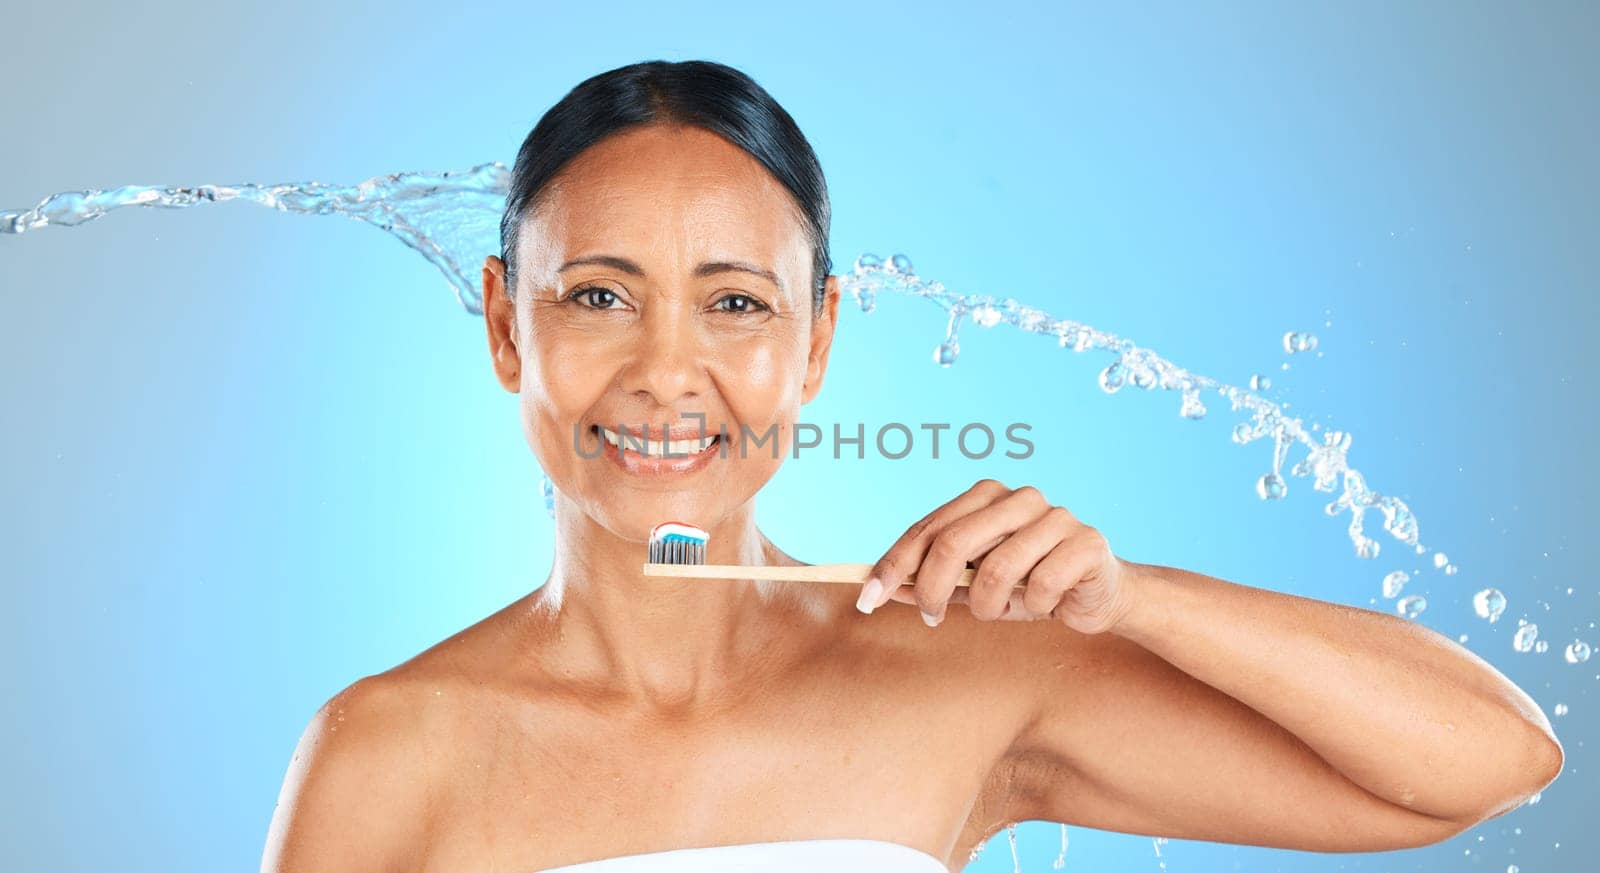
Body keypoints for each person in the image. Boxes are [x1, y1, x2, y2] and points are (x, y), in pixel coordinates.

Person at [260, 59, 1562, 873]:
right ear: (505, 324)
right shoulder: (389, 752)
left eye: (735, 304)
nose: (666, 373)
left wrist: (1140, 597)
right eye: (599, 297)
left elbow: (1489, 762)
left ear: (818, 337)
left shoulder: (961, 680)